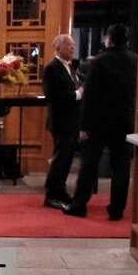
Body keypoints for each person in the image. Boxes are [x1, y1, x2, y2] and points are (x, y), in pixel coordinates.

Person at [64, 24, 137, 220]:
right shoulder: (135, 60)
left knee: (89, 165)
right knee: (121, 167)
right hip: (124, 122)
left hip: (98, 122)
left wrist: (84, 126)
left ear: (109, 39)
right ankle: (117, 209)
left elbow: (90, 96)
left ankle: (79, 205)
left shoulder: (99, 61)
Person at [42, 33, 84, 210]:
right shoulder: (51, 68)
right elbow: (52, 96)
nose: (73, 49)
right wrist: (78, 94)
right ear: (58, 48)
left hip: (72, 121)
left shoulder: (71, 67)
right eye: (69, 46)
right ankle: (51, 194)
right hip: (61, 121)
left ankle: (61, 191)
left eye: (73, 46)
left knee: (67, 160)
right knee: (60, 159)